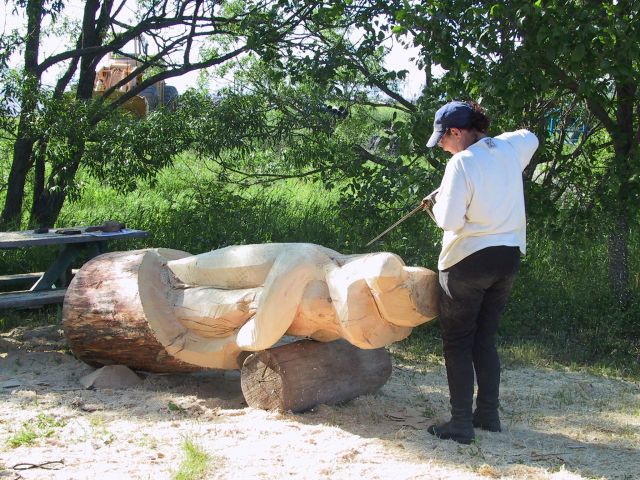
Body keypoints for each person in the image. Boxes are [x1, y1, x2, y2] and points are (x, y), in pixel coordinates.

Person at [421, 100, 539, 444]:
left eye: (443, 138)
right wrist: (490, 142)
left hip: (467, 261)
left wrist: (439, 201)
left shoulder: (461, 163)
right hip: (508, 258)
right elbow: (530, 136)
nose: (441, 145)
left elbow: (449, 221)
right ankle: (487, 414)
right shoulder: (507, 148)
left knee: (457, 342)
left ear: (456, 132)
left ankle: (460, 424)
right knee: (484, 339)